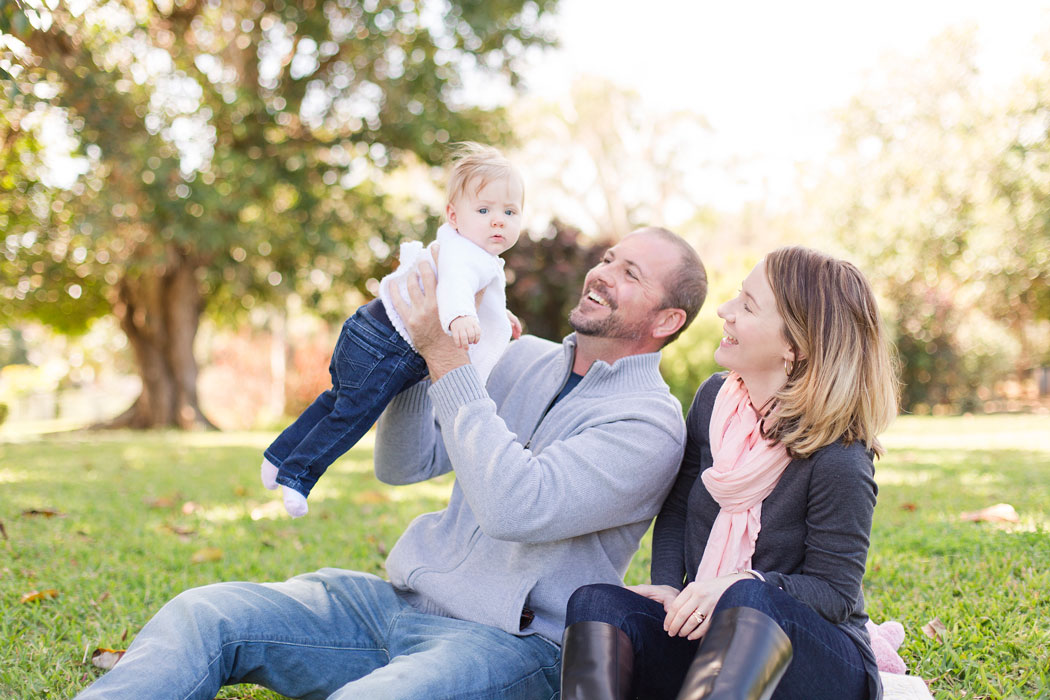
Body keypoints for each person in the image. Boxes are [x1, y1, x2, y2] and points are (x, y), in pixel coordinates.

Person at [75, 226, 709, 700]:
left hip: (509, 646)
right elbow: (403, 464)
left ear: (668, 318)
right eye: (606, 259)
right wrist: (412, 355)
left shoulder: (649, 424)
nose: (601, 274)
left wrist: (446, 358)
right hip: (396, 604)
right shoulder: (520, 358)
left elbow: (516, 505)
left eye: (629, 273)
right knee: (205, 612)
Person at [560, 246, 899, 700]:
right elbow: (679, 505)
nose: (725, 311)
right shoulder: (713, 402)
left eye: (747, 305)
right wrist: (668, 584)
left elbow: (834, 593)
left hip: (816, 665)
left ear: (794, 346)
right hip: (711, 647)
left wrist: (738, 585)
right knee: (596, 601)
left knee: (749, 600)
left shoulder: (839, 456)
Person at [261, 142, 525, 517]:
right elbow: (455, 287)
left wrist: (500, 315)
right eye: (484, 210)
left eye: (509, 211)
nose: (498, 219)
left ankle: (276, 457)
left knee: (335, 400)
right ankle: (297, 477)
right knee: (352, 416)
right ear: (454, 215)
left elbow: (475, 290)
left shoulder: (462, 246)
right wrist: (460, 318)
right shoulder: (466, 255)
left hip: (367, 327)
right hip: (387, 348)